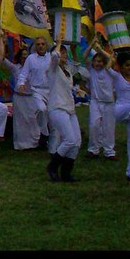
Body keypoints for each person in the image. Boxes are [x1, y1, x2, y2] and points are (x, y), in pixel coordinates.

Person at [100, 46, 130, 182]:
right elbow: (107, 68)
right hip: (121, 109)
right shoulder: (116, 76)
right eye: (127, 65)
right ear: (120, 66)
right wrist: (113, 54)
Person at [45, 40, 81, 182]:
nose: (63, 55)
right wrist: (58, 42)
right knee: (69, 140)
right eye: (62, 52)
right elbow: (54, 57)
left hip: (70, 109)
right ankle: (52, 167)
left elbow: (78, 67)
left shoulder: (68, 71)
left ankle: (66, 172)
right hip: (57, 107)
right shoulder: (52, 69)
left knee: (76, 142)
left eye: (65, 53)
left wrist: (72, 49)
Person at [15, 36, 53, 149]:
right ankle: (44, 134)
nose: (40, 46)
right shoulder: (31, 59)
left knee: (52, 115)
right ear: (35, 46)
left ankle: (52, 141)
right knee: (41, 109)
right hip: (37, 90)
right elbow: (23, 74)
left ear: (46, 46)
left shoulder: (51, 58)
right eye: (38, 44)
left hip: (50, 90)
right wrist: (21, 83)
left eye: (42, 44)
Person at [84, 47, 117, 160]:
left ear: (104, 63)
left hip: (109, 103)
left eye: (100, 61)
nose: (97, 63)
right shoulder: (91, 70)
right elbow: (84, 57)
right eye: (95, 61)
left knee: (108, 127)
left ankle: (109, 151)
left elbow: (111, 59)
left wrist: (100, 50)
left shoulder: (108, 70)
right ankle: (93, 149)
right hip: (95, 102)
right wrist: (92, 44)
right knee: (94, 125)